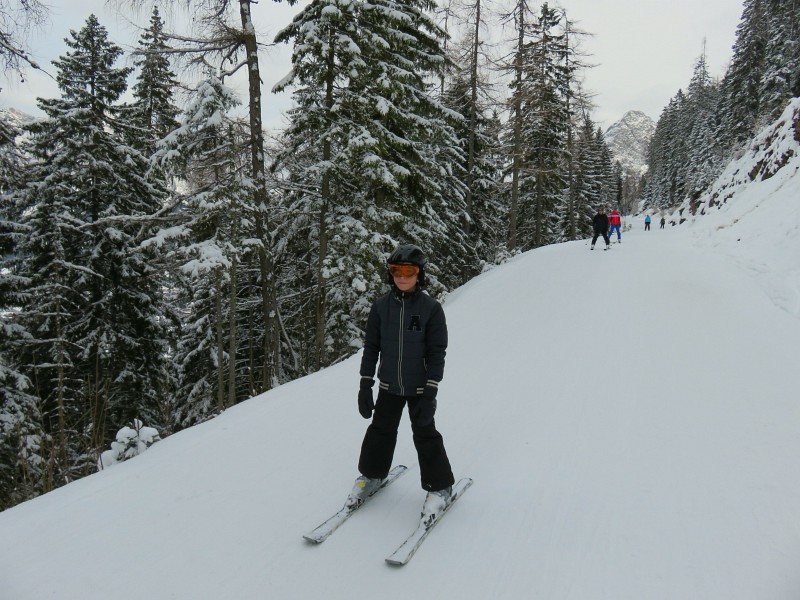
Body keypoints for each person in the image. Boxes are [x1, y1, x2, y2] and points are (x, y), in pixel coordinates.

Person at [353, 243, 455, 524]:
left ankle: (440, 486)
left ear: (419, 274)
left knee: (425, 434)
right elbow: (371, 347)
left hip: (420, 388)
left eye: (409, 271)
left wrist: (431, 390)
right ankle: (373, 474)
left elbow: (437, 351)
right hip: (389, 386)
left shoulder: (431, 309)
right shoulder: (381, 307)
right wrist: (365, 384)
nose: (402, 277)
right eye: (396, 270)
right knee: (380, 430)